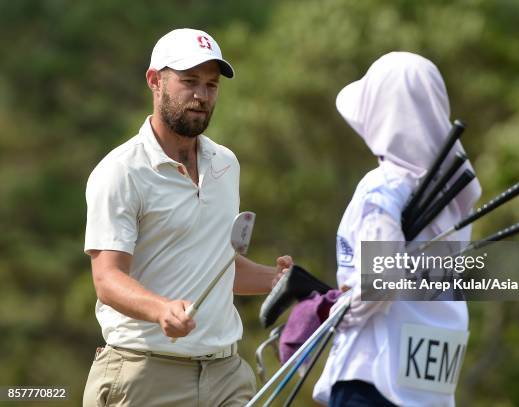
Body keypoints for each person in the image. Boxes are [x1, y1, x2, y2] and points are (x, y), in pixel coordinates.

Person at [82, 28, 292, 407]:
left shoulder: (226, 164)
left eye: (211, 85)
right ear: (154, 81)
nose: (201, 96)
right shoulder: (121, 171)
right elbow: (108, 279)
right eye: (189, 81)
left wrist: (276, 280)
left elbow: (218, 266)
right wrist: (160, 309)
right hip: (145, 374)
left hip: (226, 374)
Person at [312, 52, 482, 406]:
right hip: (429, 389)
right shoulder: (456, 191)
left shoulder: (383, 186)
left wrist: (337, 311)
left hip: (372, 376)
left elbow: (380, 282)